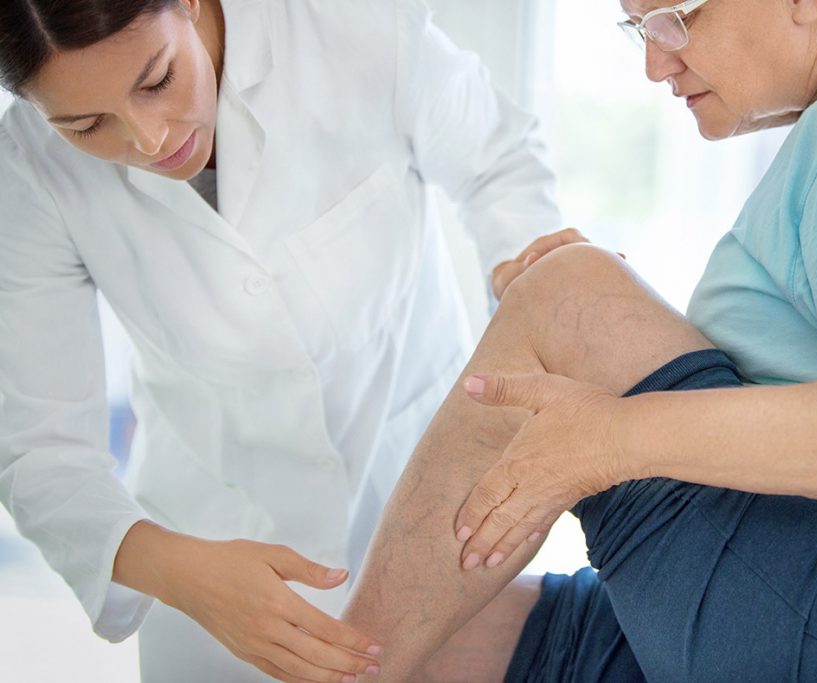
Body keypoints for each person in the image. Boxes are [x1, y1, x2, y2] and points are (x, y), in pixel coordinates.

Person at [336, 0, 817, 680]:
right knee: (437, 645)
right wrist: (612, 338)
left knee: (568, 294)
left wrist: (608, 433)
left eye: (675, 16)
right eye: (639, 27)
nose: (654, 62)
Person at [0, 0, 578, 680]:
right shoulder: (30, 171)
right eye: (86, 125)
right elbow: (42, 454)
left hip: (427, 503)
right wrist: (182, 574)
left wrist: (528, 273)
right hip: (209, 547)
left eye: (156, 80)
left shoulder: (348, 26)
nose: (151, 138)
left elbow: (497, 164)